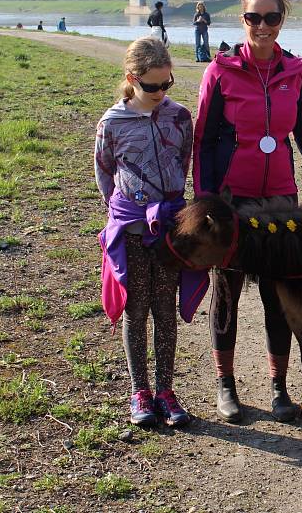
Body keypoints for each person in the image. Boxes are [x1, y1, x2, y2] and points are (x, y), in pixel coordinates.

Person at [193, 0, 302, 424]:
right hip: (233, 202)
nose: (263, 26)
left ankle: (279, 387)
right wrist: (207, 202)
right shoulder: (220, 71)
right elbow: (203, 140)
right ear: (242, 19)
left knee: (279, 297)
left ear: (282, 19)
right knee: (227, 293)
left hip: (281, 201)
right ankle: (227, 386)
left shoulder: (296, 73)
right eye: (253, 17)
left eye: (272, 17)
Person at [95, 37, 201, 428]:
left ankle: (166, 390)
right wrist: (127, 211)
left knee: (164, 310)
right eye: (151, 86)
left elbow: (184, 160)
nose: (159, 93)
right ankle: (139, 390)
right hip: (133, 228)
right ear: (131, 79)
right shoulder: (112, 123)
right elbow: (105, 172)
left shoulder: (180, 117)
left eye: (166, 84)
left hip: (170, 227)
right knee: (136, 310)